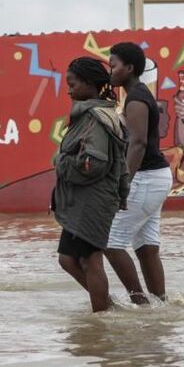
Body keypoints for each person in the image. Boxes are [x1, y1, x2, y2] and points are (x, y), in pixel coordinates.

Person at [52, 57, 130, 312]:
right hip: (84, 200)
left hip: (93, 200)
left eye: (73, 84)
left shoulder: (95, 119)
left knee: (90, 259)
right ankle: (107, 306)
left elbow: (92, 165)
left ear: (88, 84)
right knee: (67, 259)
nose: (69, 90)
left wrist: (61, 161)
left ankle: (101, 320)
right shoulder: (96, 114)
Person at [104, 42, 173, 303]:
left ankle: (140, 302)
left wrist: (123, 183)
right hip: (154, 178)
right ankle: (160, 306)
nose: (110, 71)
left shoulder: (136, 98)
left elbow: (138, 143)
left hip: (145, 177)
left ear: (130, 68)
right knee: (146, 247)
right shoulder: (138, 94)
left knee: (110, 242)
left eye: (114, 65)